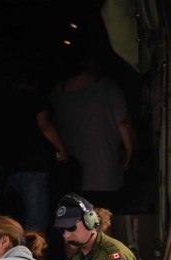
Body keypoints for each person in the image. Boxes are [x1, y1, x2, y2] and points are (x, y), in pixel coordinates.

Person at [0, 71, 67, 234]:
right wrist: (61, 150)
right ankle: (35, 258)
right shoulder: (36, 100)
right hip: (33, 167)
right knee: (36, 225)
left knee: (2, 222)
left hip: (5, 169)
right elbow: (44, 125)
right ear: (34, 83)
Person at [52, 57, 134, 213]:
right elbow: (122, 124)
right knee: (102, 218)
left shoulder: (58, 91)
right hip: (104, 172)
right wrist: (129, 154)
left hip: (69, 173)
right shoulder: (109, 87)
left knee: (72, 220)